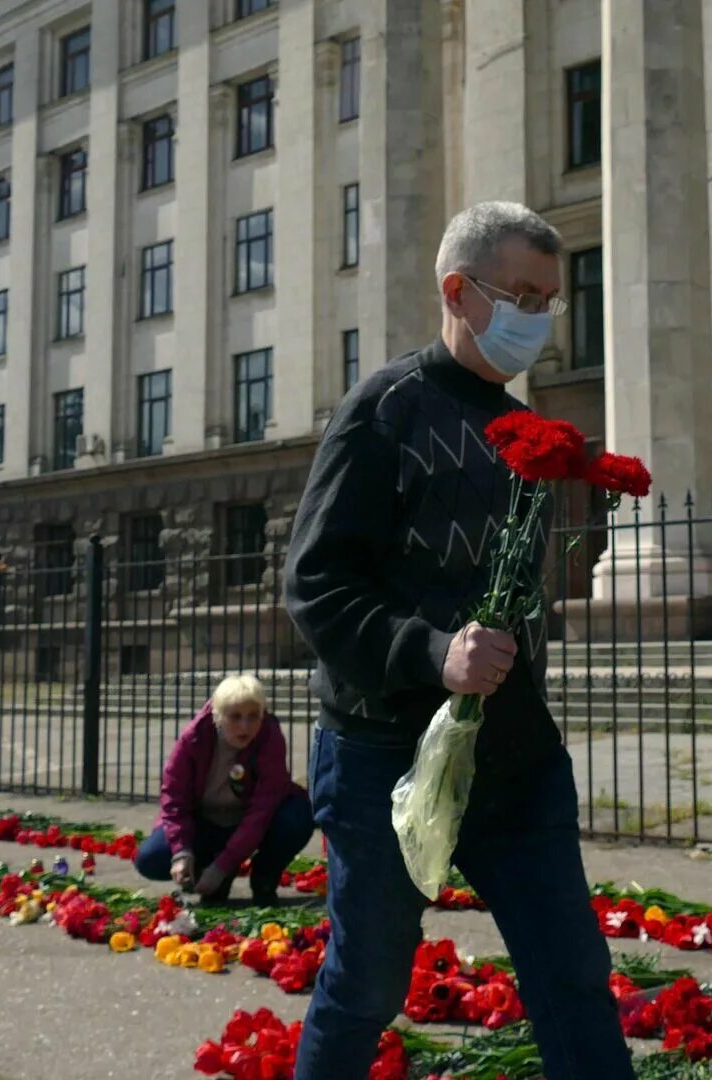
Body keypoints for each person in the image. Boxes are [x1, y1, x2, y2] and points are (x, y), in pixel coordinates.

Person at [284, 202, 632, 1079]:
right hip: (383, 758)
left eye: (551, 299)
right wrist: (431, 651)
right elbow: (314, 586)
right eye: (522, 293)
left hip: (514, 758)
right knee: (366, 982)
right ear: (458, 291)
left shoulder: (526, 429)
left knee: (573, 976)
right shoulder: (387, 410)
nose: (540, 317)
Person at [135, 674, 314, 904]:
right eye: (235, 717)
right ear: (217, 717)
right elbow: (174, 798)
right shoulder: (193, 739)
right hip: (204, 821)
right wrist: (182, 852)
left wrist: (222, 866)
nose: (245, 727)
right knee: (150, 858)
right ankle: (202, 871)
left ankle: (264, 878)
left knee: (297, 816)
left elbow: (263, 808)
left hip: (247, 820)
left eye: (253, 717)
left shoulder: (269, 737)